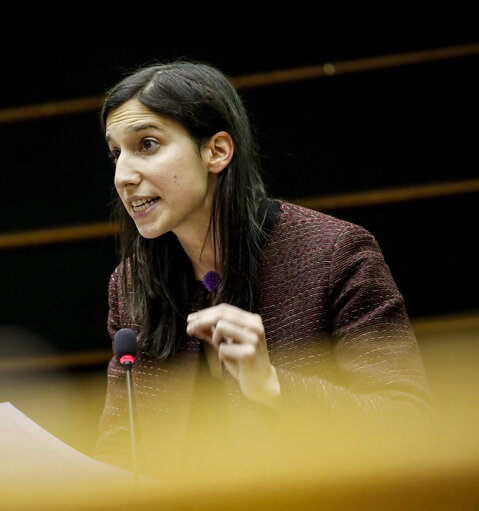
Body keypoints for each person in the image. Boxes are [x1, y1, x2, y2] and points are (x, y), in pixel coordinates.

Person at [92, 60, 434, 479]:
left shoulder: (335, 254)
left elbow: (410, 427)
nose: (123, 175)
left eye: (146, 144)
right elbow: (119, 450)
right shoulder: (131, 286)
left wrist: (272, 384)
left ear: (216, 151)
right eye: (115, 154)